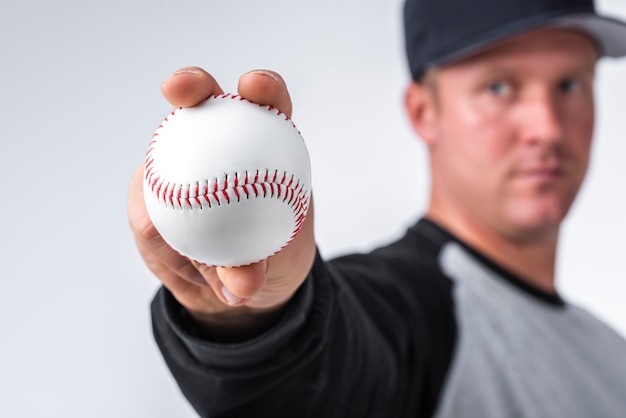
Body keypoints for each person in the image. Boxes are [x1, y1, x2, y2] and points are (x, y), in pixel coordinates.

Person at [128, 0, 626, 416]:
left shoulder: (612, 354)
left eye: (570, 85)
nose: (548, 128)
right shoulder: (409, 314)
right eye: (499, 87)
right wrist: (254, 318)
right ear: (423, 113)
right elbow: (324, 378)